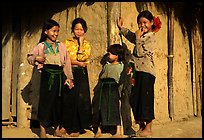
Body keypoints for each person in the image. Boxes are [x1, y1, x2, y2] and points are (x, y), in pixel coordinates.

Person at [117, 10, 161, 137]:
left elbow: (141, 52)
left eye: (145, 22)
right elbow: (131, 36)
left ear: (151, 22)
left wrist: (137, 38)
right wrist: (121, 29)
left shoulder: (151, 37)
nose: (142, 25)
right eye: (140, 23)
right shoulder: (139, 36)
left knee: (146, 99)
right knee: (135, 99)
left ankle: (148, 127)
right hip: (137, 72)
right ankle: (141, 126)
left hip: (147, 73)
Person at [27, 19, 74, 138]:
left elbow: (67, 62)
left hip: (59, 76)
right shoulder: (41, 46)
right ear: (46, 31)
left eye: (57, 31)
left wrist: (69, 78)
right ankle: (42, 130)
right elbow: (30, 58)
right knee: (46, 103)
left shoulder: (61, 46)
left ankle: (57, 130)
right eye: (53, 31)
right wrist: (37, 58)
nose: (56, 34)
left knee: (58, 103)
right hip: (47, 77)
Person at [60, 17, 92, 137]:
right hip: (69, 72)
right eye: (77, 29)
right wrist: (77, 63)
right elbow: (64, 59)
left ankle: (77, 128)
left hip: (81, 74)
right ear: (73, 30)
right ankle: (66, 125)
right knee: (68, 98)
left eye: (81, 29)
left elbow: (83, 58)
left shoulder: (86, 44)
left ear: (85, 30)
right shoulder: (66, 42)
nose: (79, 31)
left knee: (80, 99)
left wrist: (80, 44)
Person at [92, 44, 127, 138]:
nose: (109, 55)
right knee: (100, 108)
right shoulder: (106, 65)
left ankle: (118, 131)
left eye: (111, 53)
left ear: (117, 56)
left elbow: (121, 80)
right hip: (104, 89)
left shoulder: (121, 66)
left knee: (115, 109)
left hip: (114, 89)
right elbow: (102, 77)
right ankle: (98, 130)